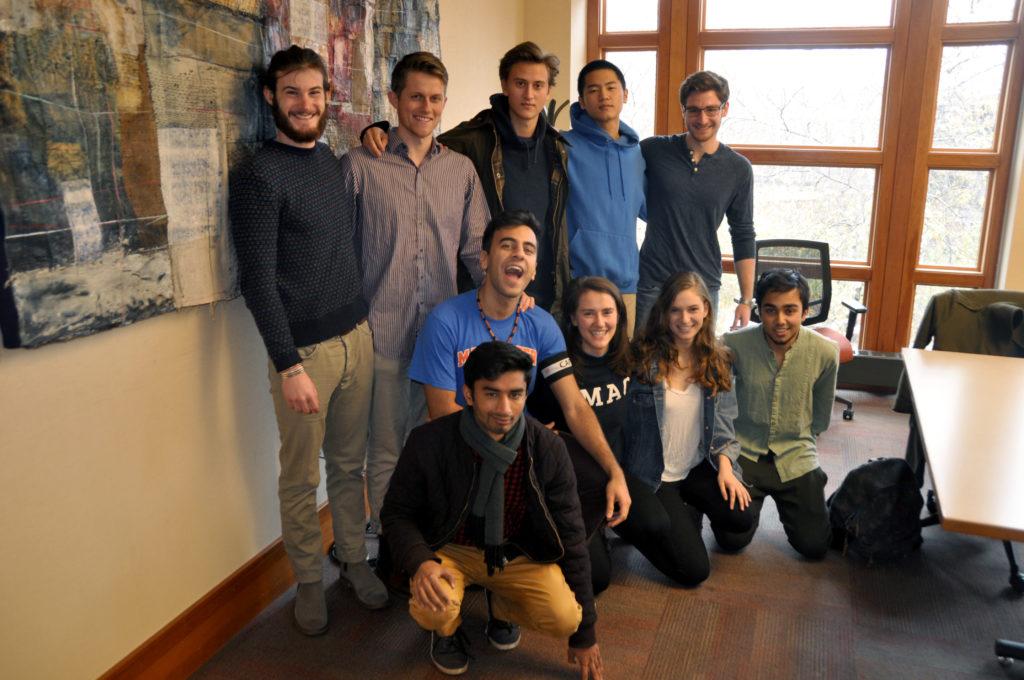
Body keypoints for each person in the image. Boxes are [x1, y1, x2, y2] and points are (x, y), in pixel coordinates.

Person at [228, 45, 385, 635]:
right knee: (300, 476)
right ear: (271, 97)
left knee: (349, 466)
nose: (305, 103)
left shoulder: (330, 162)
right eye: (292, 92)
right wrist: (288, 366)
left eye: (315, 93)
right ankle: (307, 582)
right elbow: (257, 280)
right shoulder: (258, 175)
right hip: (305, 356)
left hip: (357, 337)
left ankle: (350, 559)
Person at [382, 342, 605, 678]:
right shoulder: (429, 441)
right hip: (449, 549)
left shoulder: (547, 449)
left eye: (515, 394)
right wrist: (420, 562)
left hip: (515, 552)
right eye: (491, 394)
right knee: (432, 608)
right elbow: (396, 513)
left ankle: (503, 606)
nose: (505, 407)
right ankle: (447, 632)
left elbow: (572, 539)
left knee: (566, 617)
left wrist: (585, 635)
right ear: (468, 394)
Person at [339, 51, 487, 538]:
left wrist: (503, 306)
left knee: (438, 444)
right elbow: (339, 254)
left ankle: (435, 534)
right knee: (384, 449)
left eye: (436, 98)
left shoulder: (461, 171)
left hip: (443, 341)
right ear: (394, 99)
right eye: (417, 97)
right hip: (381, 333)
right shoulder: (361, 166)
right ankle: (391, 545)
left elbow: (475, 253)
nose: (427, 107)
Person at [363, 42, 571, 315]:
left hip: (543, 294)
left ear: (548, 91)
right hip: (485, 295)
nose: (529, 94)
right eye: (520, 83)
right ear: (505, 85)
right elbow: (421, 139)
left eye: (538, 85)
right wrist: (378, 130)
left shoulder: (557, 149)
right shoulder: (472, 140)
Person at [615, 272, 754, 585]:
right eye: (676, 310)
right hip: (653, 474)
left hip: (694, 467)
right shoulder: (640, 358)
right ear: (664, 313)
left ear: (706, 309)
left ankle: (682, 511)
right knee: (694, 572)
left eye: (692, 309)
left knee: (741, 517)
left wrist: (726, 468)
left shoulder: (718, 360)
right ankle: (637, 524)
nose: (685, 318)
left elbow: (723, 427)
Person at [717, 268, 839, 559]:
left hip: (796, 453)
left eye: (790, 310)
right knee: (730, 540)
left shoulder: (826, 352)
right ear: (759, 310)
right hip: (745, 451)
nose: (780, 320)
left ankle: (817, 492)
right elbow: (719, 403)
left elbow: (820, 417)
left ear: (805, 312)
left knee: (814, 546)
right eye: (770, 310)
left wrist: (805, 448)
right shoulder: (734, 345)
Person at [526, 276, 634, 593]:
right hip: (573, 488)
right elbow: (530, 412)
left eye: (607, 312)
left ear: (619, 315)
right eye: (588, 313)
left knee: (664, 533)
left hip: (615, 475)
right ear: (572, 318)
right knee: (597, 578)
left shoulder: (629, 361)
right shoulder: (558, 367)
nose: (599, 322)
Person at [636, 70, 755, 332]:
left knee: (698, 367)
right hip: (653, 282)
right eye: (694, 110)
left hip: (703, 285)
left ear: (725, 109)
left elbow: (743, 233)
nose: (702, 119)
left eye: (711, 109)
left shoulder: (738, 169)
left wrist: (747, 299)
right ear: (683, 111)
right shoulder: (653, 150)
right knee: (644, 365)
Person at [563, 61, 646, 335]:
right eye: (594, 90)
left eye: (611, 88)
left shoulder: (638, 155)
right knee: (579, 369)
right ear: (582, 101)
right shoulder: (563, 146)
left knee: (623, 368)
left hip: (626, 284)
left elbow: (651, 210)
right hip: (580, 282)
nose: (604, 96)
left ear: (625, 94)